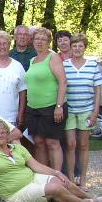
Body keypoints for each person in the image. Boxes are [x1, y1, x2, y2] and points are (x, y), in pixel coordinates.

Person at [0, 120, 102, 202]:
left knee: (59, 180)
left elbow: (36, 166)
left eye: (3, 132)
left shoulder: (17, 148)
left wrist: (56, 172)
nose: (0, 135)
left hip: (32, 179)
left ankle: (86, 195)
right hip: (15, 192)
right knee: (55, 187)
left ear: (8, 134)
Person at [25, 27, 68, 170]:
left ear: (49, 42)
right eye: (37, 38)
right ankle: (44, 178)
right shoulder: (32, 60)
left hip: (51, 107)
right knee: (38, 142)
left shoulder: (53, 57)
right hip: (33, 109)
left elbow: (63, 81)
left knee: (52, 143)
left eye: (43, 39)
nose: (39, 42)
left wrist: (59, 106)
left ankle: (58, 177)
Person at [63, 33, 102, 186]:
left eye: (80, 46)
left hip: (86, 109)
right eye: (75, 46)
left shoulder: (92, 65)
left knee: (84, 145)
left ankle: (84, 180)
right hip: (70, 110)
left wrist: (95, 112)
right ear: (71, 48)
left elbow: (98, 90)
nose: (77, 49)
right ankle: (72, 180)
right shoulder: (65, 65)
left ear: (85, 47)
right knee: (70, 144)